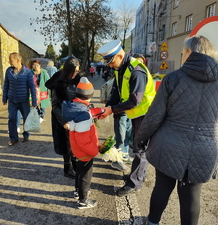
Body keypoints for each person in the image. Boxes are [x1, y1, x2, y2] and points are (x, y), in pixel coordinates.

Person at [136, 35, 218, 225]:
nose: (182, 55)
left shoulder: (173, 78)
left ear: (190, 52)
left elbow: (154, 116)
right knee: (192, 194)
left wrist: (141, 139)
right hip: (206, 149)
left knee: (162, 187)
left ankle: (152, 222)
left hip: (168, 145)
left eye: (183, 52)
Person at [97, 40, 156, 197]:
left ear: (120, 55)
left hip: (145, 114)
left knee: (140, 149)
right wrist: (107, 107)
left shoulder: (136, 70)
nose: (109, 65)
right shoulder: (120, 68)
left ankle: (134, 182)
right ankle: (137, 176)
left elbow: (134, 100)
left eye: (111, 61)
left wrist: (112, 110)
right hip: (136, 113)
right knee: (137, 147)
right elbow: (116, 92)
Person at [62, 77, 101, 209]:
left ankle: (77, 192)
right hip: (85, 152)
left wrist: (100, 111)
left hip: (76, 150)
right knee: (85, 176)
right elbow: (83, 142)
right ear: (89, 96)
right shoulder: (83, 115)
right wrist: (95, 151)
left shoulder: (75, 108)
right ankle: (83, 200)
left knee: (79, 171)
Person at [45, 57, 81, 179]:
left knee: (75, 143)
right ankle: (67, 168)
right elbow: (55, 105)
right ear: (68, 70)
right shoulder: (58, 82)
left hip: (76, 117)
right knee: (66, 145)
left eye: (77, 71)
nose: (76, 74)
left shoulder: (77, 79)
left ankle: (76, 166)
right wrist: (64, 121)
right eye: (74, 71)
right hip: (61, 118)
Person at [2, 52, 36, 146]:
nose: (9, 62)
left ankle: (26, 135)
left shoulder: (27, 72)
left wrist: (34, 101)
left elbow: (32, 87)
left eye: (11, 60)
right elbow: (6, 85)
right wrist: (4, 98)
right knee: (12, 118)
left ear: (18, 60)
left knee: (26, 118)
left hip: (23, 100)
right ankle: (13, 138)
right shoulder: (9, 71)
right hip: (12, 100)